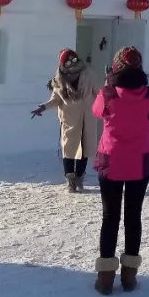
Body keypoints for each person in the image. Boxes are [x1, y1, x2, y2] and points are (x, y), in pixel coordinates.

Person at [91, 46, 149, 295]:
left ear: (116, 66)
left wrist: (108, 81)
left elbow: (96, 111)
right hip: (140, 162)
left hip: (111, 161)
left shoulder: (108, 92)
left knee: (110, 217)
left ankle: (106, 278)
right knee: (133, 216)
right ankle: (129, 277)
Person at [31, 49, 97, 193]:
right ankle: (70, 181)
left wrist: (106, 106)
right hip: (69, 119)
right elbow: (55, 100)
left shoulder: (87, 74)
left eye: (74, 60)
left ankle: (79, 178)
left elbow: (98, 93)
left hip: (87, 118)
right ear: (63, 64)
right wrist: (44, 107)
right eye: (69, 62)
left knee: (84, 149)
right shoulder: (59, 80)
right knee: (69, 150)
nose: (73, 63)